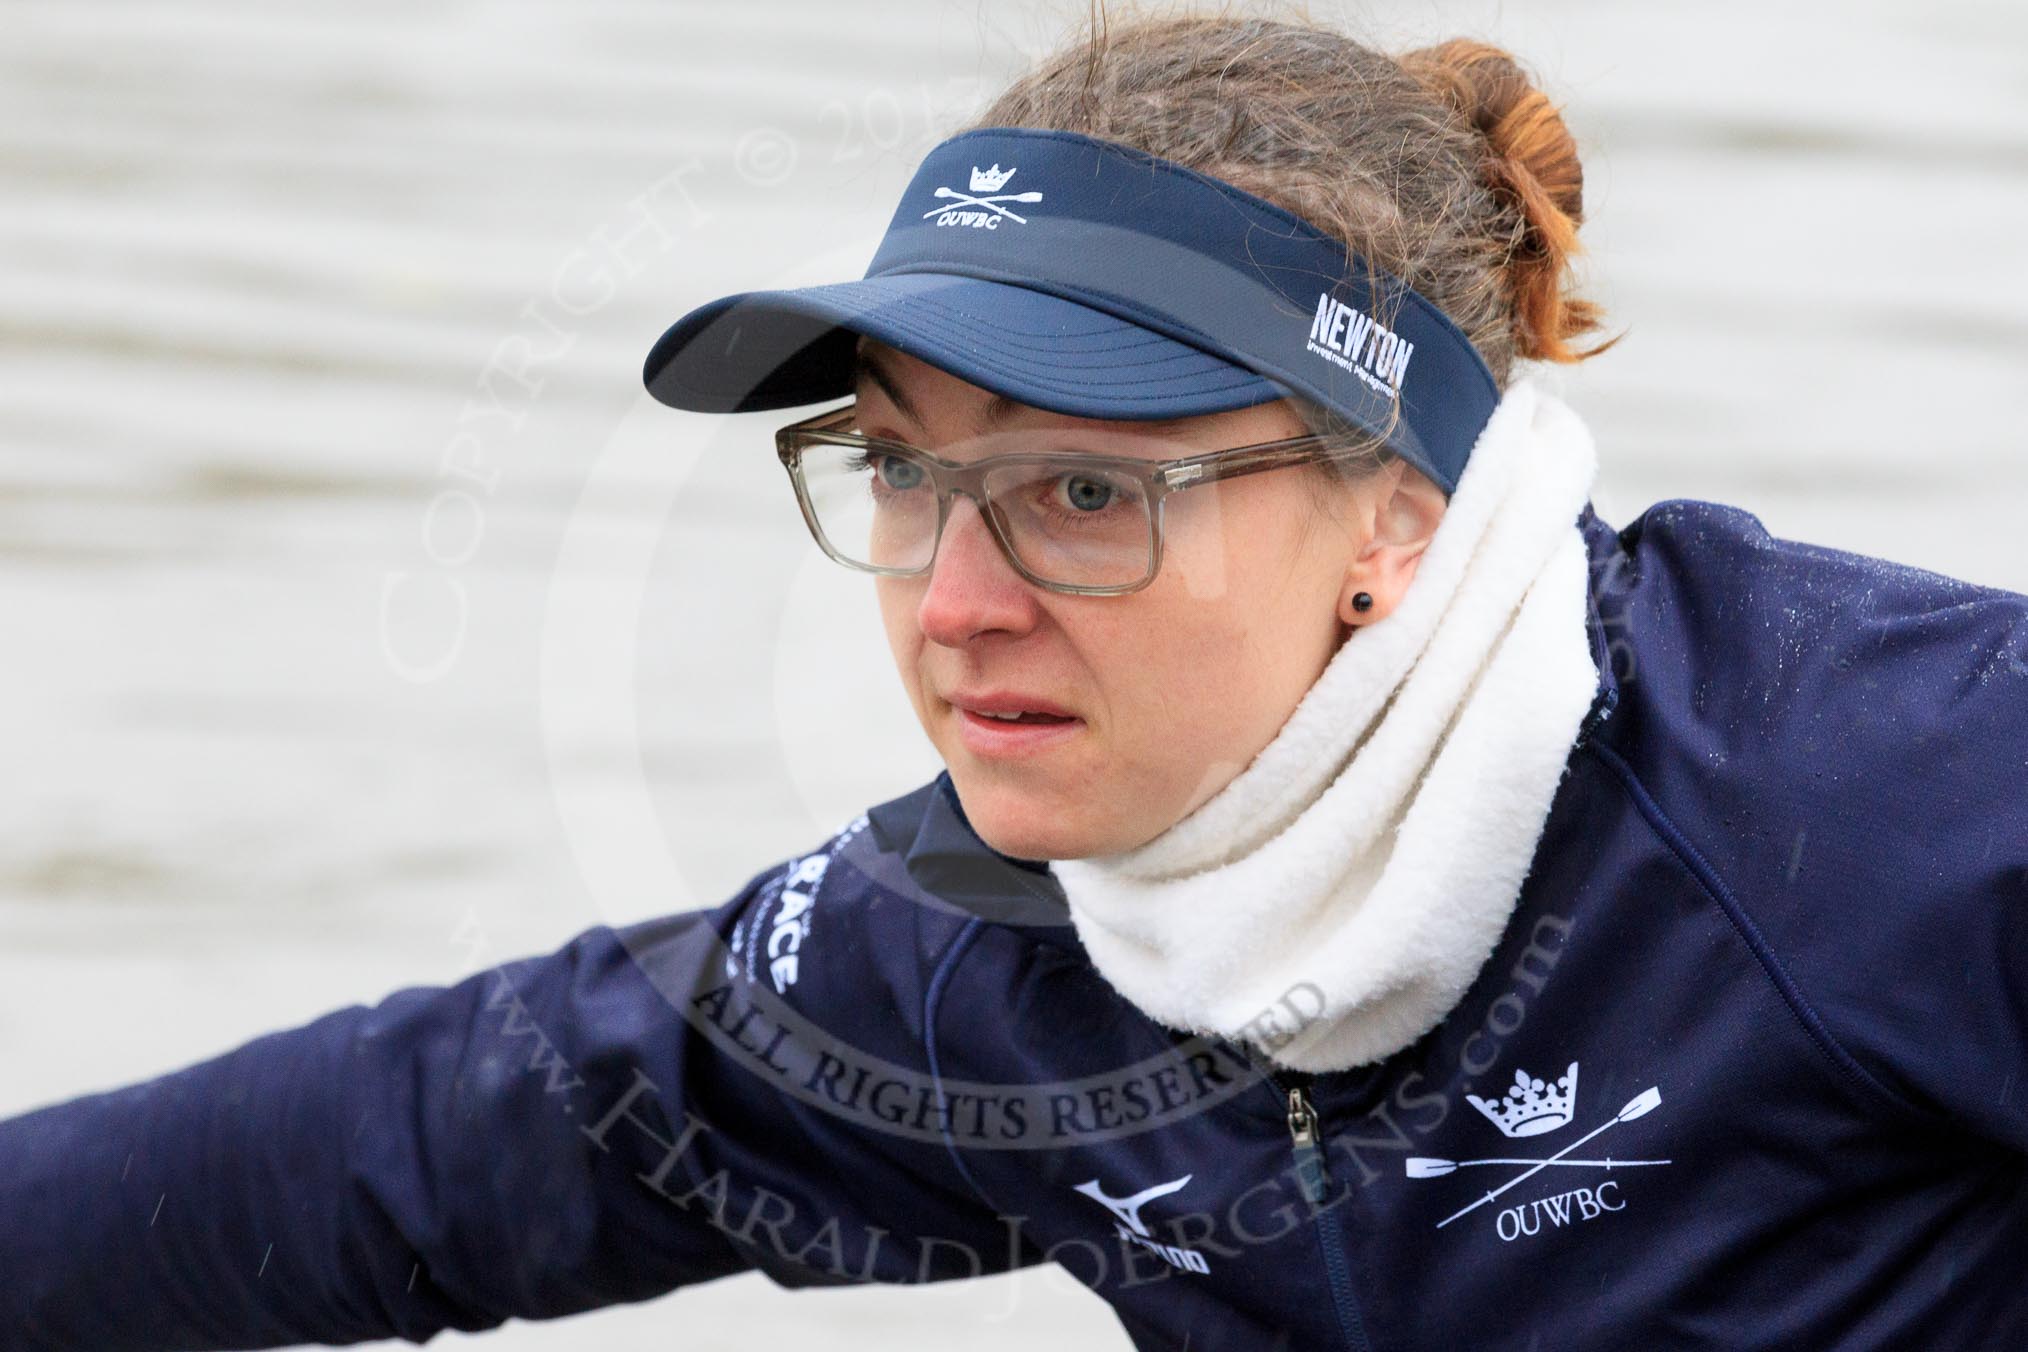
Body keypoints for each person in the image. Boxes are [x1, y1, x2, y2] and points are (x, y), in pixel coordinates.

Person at [4, 8, 2024, 1350]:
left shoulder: (1881, 791)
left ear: (1399, 514)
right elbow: (419, 1149)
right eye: (903, 470)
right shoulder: (982, 956)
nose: (953, 600)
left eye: (1079, 488)